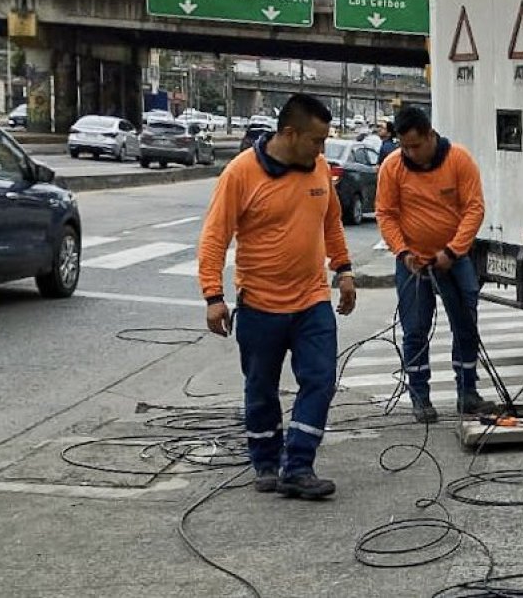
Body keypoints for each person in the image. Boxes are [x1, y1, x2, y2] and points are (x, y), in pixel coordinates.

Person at [198, 93, 357, 499]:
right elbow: (215, 236)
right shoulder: (241, 174)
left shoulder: (319, 169)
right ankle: (266, 462)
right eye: (316, 141)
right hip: (260, 304)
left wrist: (344, 270)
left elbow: (332, 223)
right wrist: (213, 295)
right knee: (261, 387)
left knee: (320, 379)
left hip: (312, 301)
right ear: (289, 133)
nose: (321, 151)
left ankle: (299, 465)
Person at [375, 105, 495, 423]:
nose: (410, 153)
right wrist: (402, 252)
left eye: (416, 145)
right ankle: (420, 397)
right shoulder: (392, 167)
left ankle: (468, 393)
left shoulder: (459, 160)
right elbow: (386, 214)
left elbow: (474, 209)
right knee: (415, 330)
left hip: (454, 260)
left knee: (466, 326)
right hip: (413, 262)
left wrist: (453, 252)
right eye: (404, 146)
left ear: (430, 135)